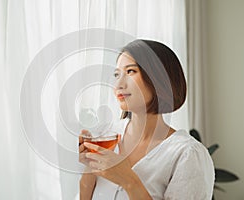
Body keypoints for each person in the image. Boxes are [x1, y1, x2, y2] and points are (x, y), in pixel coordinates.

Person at [78, 39, 215, 200]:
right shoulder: (105, 139)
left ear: (159, 78)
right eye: (117, 74)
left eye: (130, 72)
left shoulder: (187, 154)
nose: (119, 84)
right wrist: (89, 170)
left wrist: (129, 181)